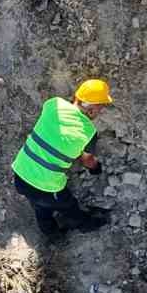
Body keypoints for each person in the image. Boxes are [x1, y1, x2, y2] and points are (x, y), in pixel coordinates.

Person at [10, 79, 114, 239]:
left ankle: (51, 234)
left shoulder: (53, 104)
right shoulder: (88, 132)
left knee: (39, 206)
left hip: (20, 174)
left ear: (77, 96)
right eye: (100, 108)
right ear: (93, 110)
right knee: (68, 206)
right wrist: (95, 168)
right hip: (47, 187)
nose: (100, 112)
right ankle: (85, 224)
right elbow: (87, 160)